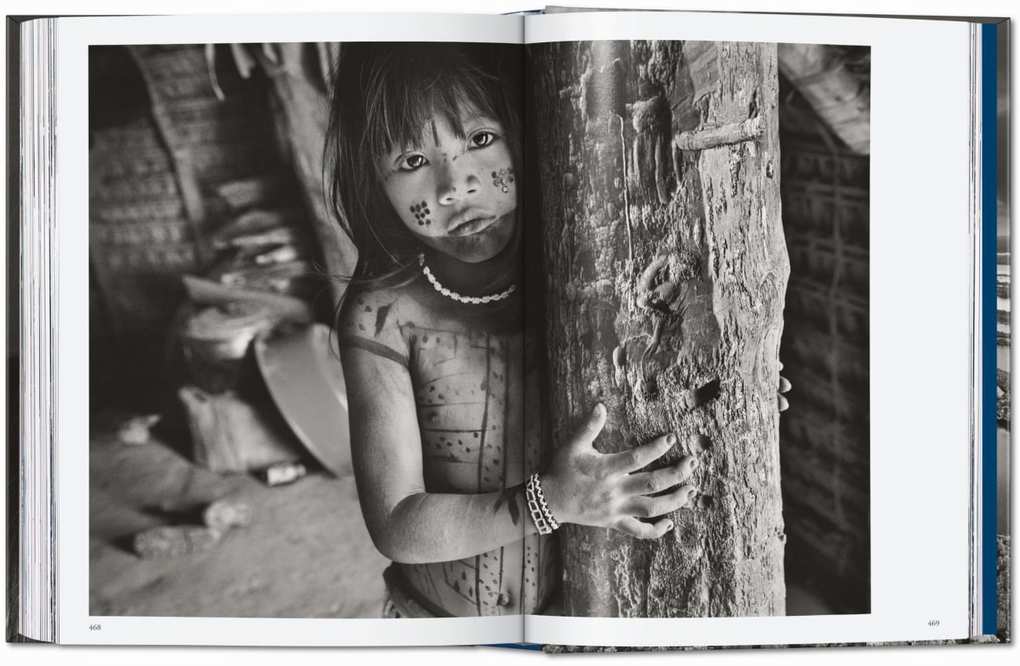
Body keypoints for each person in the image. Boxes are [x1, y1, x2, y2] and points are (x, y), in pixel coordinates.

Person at [327, 44, 783, 618]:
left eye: (480, 138)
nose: (454, 186)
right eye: (413, 160)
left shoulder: (588, 277)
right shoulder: (382, 315)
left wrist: (735, 388)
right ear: (373, 178)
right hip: (434, 627)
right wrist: (550, 502)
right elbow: (397, 525)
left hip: (568, 625)